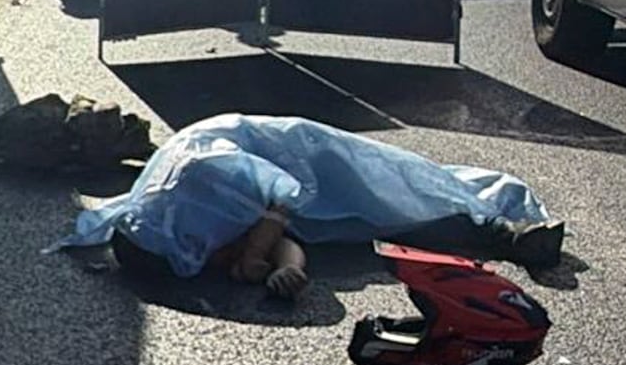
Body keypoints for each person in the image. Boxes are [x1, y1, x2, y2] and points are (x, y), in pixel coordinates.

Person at [58, 114, 564, 302]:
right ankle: (506, 235)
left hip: (286, 152)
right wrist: (285, 272)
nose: (213, 263)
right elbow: (287, 243)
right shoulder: (184, 234)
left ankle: (503, 229)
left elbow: (275, 204)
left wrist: (257, 251)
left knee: (393, 186)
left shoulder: (196, 186)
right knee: (370, 221)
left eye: (200, 256)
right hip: (278, 189)